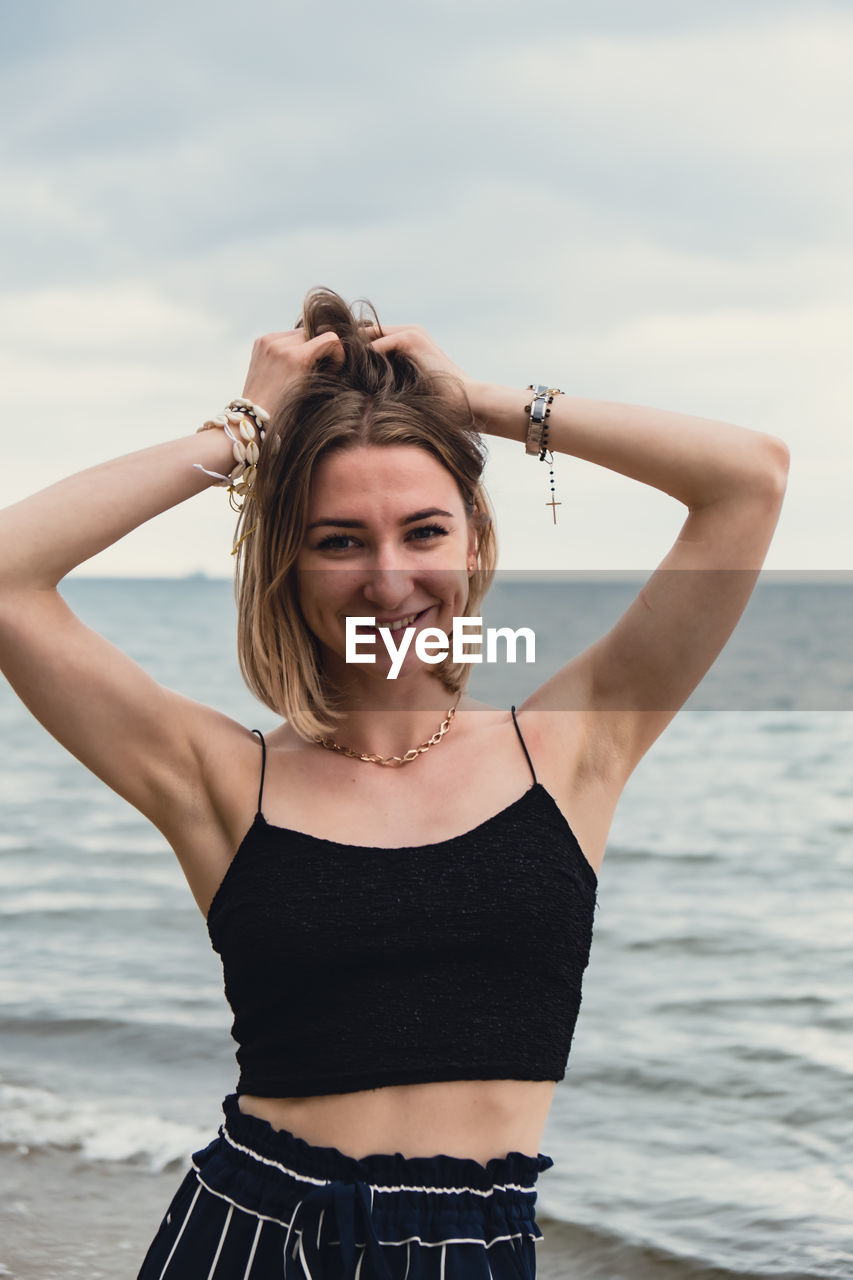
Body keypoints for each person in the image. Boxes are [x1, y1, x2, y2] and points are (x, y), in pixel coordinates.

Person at [0, 287, 789, 1279]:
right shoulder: (218, 778)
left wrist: (477, 405)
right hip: (249, 1237)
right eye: (339, 540)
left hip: (476, 1245)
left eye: (424, 530)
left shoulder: (572, 746)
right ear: (286, 563)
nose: (388, 577)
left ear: (473, 539)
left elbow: (747, 480)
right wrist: (240, 431)